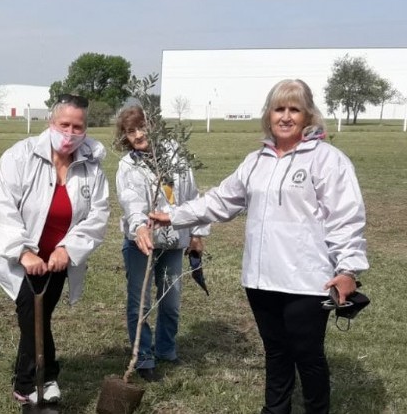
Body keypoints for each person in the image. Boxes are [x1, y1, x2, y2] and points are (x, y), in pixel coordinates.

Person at [150, 79, 368, 414]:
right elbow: (221, 201)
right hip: (261, 280)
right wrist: (174, 216)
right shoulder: (256, 161)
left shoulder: (327, 160)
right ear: (268, 115)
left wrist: (348, 269)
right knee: (277, 353)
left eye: (294, 109)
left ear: (308, 115)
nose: (285, 117)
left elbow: (346, 218)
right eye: (279, 108)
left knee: (307, 356)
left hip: (308, 282)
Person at [0, 94, 110, 406]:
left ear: (86, 128)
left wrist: (68, 249)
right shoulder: (19, 156)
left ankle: (32, 377)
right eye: (63, 124)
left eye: (77, 126)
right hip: (22, 255)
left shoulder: (91, 167)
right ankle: (37, 379)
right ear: (51, 123)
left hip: (58, 258)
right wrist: (23, 252)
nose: (69, 133)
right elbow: (2, 207)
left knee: (40, 314)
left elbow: (97, 215)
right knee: (30, 310)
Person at [114, 105, 209, 383]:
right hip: (140, 243)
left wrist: (196, 233)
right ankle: (143, 357)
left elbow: (191, 196)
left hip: (174, 243)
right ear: (125, 137)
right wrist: (139, 225)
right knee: (139, 303)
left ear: (154, 126)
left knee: (170, 301)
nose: (139, 135)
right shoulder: (127, 165)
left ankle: (166, 349)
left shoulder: (176, 157)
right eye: (131, 131)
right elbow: (131, 200)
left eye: (142, 127)